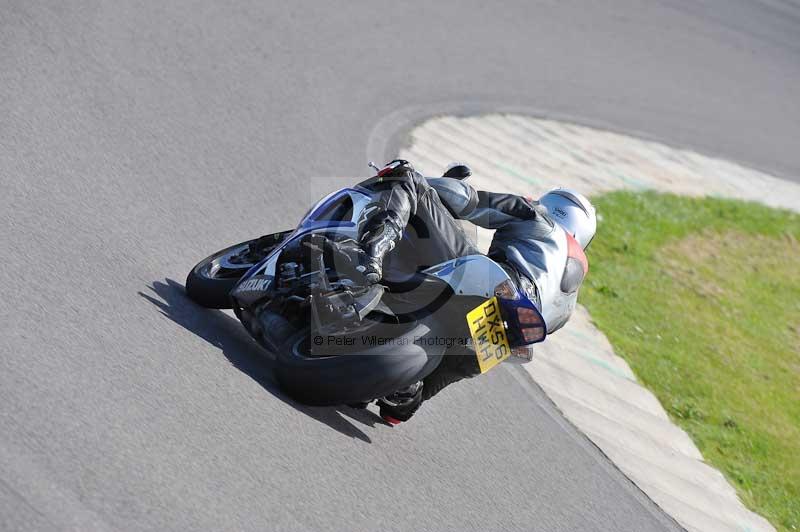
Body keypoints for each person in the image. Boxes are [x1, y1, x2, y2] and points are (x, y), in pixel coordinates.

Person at [355, 160, 596, 424]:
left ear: (554, 207)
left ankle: (373, 249)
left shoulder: (536, 216)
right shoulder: (568, 305)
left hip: (495, 285)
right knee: (434, 381)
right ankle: (405, 395)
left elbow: (466, 201)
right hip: (508, 332)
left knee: (411, 183)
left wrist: (429, 181)